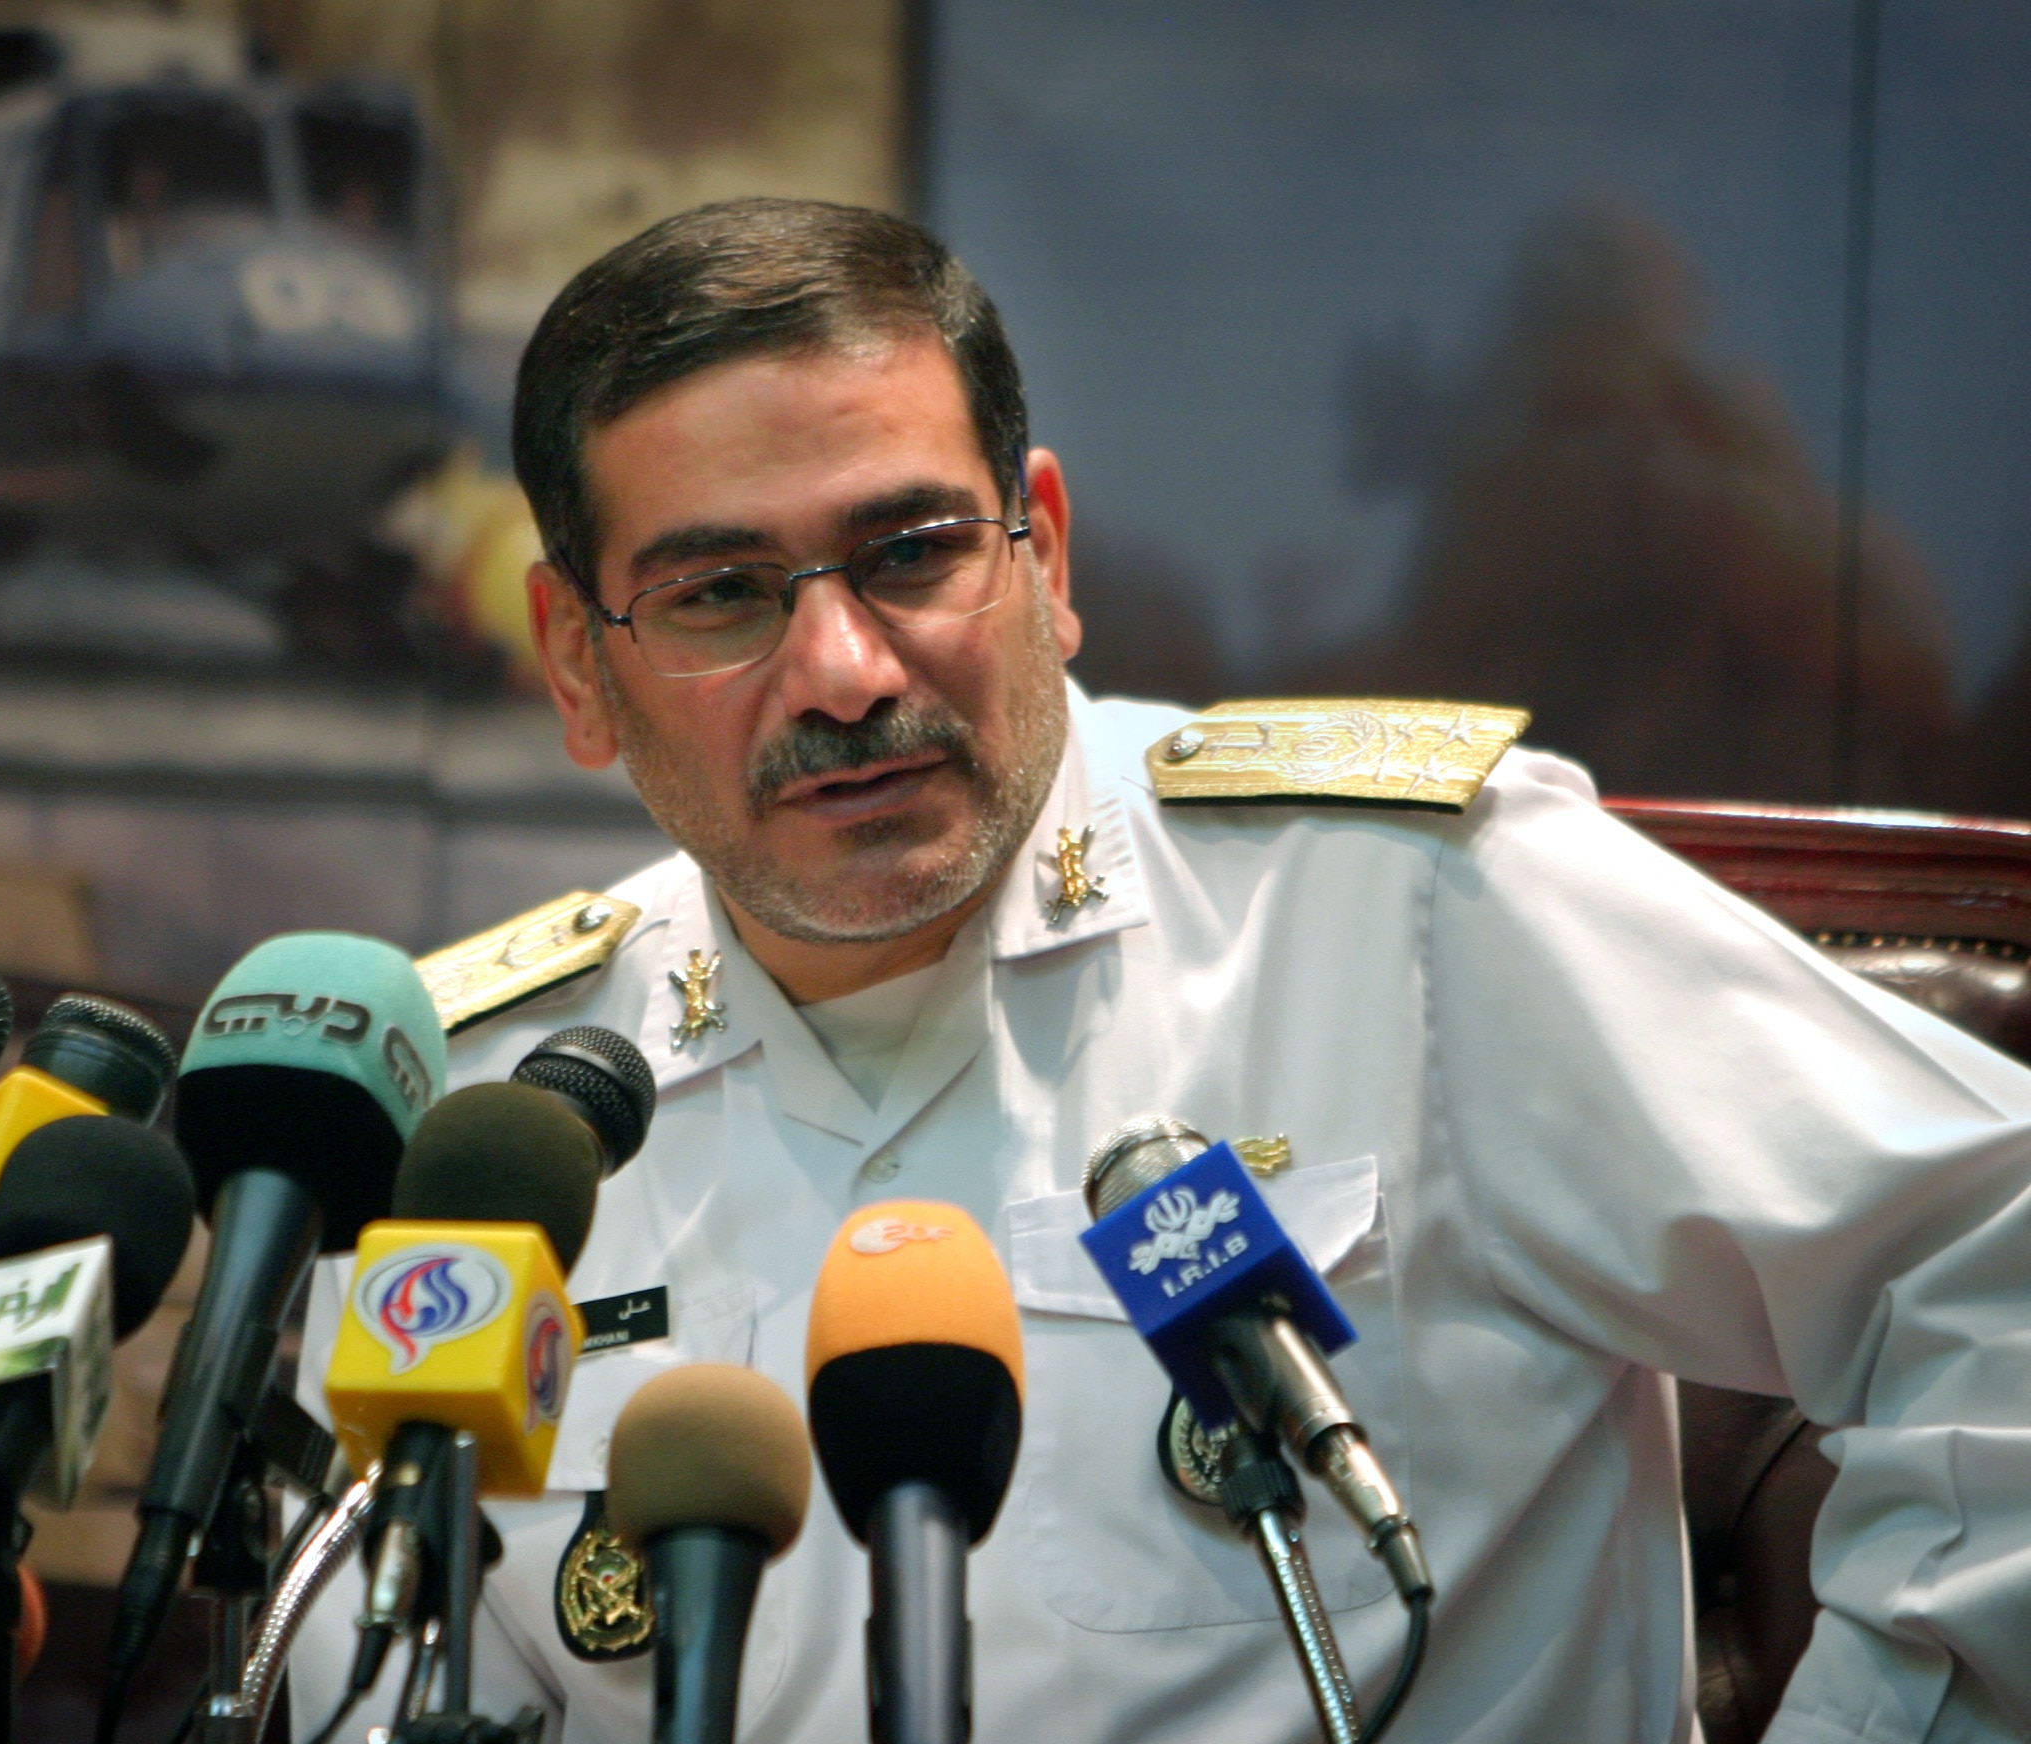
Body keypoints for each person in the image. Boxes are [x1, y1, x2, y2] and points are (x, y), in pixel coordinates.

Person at [289, 197, 2031, 1743]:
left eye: (910, 554)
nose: (837, 667)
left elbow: (1994, 1249)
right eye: (719, 595)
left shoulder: (1400, 911)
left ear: (1042, 555)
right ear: (575, 668)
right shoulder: (476, 1129)